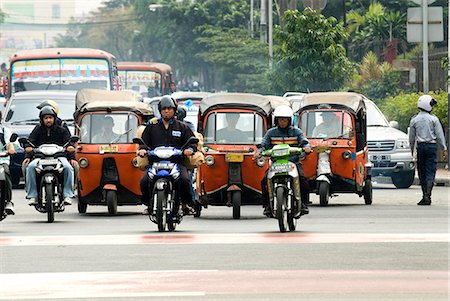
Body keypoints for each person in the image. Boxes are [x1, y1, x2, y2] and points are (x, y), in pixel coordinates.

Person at [138, 95, 197, 215]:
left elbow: (192, 142)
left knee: (185, 180)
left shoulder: (182, 127)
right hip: (155, 163)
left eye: (169, 108)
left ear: (174, 110)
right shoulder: (151, 127)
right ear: (160, 110)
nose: (166, 111)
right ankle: (149, 204)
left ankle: (186, 204)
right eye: (164, 108)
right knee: (144, 181)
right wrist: (143, 150)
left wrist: (189, 149)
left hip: (176, 162)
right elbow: (144, 143)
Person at [253, 105, 311, 216]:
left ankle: (303, 204)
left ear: (289, 120)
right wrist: (259, 151)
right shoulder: (270, 133)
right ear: (276, 120)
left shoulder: (297, 132)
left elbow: (304, 142)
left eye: (285, 120)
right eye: (280, 120)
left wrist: (307, 148)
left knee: (303, 180)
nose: (282, 122)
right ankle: (267, 206)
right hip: (276, 164)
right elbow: (263, 145)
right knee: (264, 180)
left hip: (293, 163)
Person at [23, 106, 76, 206]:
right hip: (40, 157)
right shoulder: (37, 129)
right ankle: (32, 195)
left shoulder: (62, 130)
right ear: (42, 119)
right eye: (46, 118)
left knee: (69, 168)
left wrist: (72, 156)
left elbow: (70, 143)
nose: (48, 120)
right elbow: (30, 142)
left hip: (59, 157)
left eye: (50, 118)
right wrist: (28, 154)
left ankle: (68, 195)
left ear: (54, 118)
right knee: (30, 167)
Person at [409, 94, 447, 205]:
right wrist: (444, 148)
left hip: (420, 147)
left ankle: (424, 195)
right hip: (431, 147)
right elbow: (440, 135)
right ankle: (428, 195)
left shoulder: (414, 120)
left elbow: (411, 138)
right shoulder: (434, 119)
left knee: (422, 171)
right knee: (430, 171)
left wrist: (411, 150)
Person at [0, 111, 16, 215]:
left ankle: (8, 201)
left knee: (5, 173)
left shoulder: (4, 131)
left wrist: (11, 149)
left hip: (2, 160)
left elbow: (10, 144)